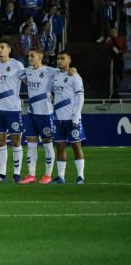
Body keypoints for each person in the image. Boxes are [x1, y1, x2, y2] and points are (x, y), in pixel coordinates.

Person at [0, 40, 25, 183]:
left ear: (9, 50)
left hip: (13, 109)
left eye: (2, 47)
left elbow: (27, 81)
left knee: (16, 140)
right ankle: (1, 175)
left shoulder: (17, 65)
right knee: (0, 141)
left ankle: (16, 174)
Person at [18, 47, 56, 185]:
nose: (29, 58)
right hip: (32, 113)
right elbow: (20, 76)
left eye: (32, 56)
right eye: (29, 56)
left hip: (45, 114)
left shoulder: (49, 71)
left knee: (47, 144)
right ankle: (31, 175)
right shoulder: (27, 71)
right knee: (31, 145)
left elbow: (65, 73)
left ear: (40, 56)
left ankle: (48, 175)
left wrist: (72, 70)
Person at [51, 51, 85, 184]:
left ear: (69, 60)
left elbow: (81, 97)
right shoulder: (54, 75)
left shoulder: (75, 76)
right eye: (58, 59)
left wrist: (76, 116)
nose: (59, 61)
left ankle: (80, 176)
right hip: (58, 118)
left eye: (62, 58)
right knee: (60, 146)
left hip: (71, 118)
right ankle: (60, 176)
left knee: (76, 145)